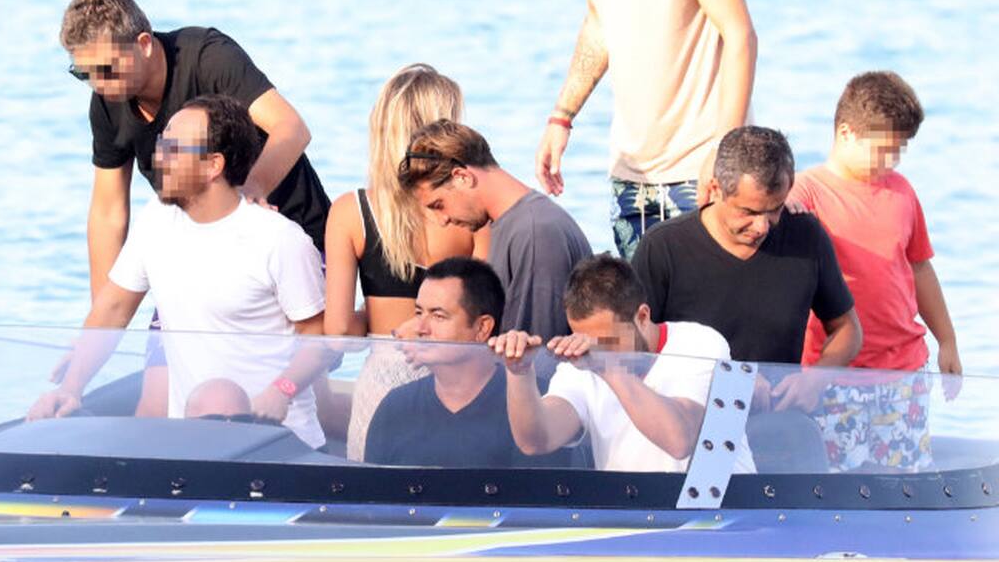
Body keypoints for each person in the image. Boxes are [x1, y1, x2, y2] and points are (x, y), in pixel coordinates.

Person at [60, 0, 332, 416]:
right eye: (84, 74)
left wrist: (249, 193)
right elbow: (108, 212)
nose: (99, 84)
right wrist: (99, 333)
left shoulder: (207, 58)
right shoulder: (108, 102)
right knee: (155, 402)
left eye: (106, 69)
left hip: (289, 232)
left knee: (307, 397)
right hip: (199, 249)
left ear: (143, 44)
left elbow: (292, 128)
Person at [27, 95, 339, 448]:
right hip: (193, 440)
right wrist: (71, 388)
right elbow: (112, 309)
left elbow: (320, 339)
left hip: (280, 442)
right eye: (162, 144)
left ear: (213, 165)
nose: (158, 157)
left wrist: (282, 390)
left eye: (173, 148)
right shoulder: (156, 220)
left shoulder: (280, 239)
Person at [536, 0, 758, 260]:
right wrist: (562, 116)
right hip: (631, 175)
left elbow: (739, 34)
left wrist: (723, 154)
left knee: (708, 295)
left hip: (700, 169)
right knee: (637, 296)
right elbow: (599, 23)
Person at [789, 71, 962, 471]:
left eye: (899, 151)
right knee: (836, 482)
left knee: (903, 481)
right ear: (846, 133)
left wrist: (947, 340)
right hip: (833, 373)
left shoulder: (902, 192)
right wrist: (786, 209)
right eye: (884, 150)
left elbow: (920, 268)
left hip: (902, 371)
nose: (892, 162)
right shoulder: (806, 191)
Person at [631, 126, 863, 414]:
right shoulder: (662, 247)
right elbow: (632, 350)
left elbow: (847, 328)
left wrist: (816, 379)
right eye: (749, 212)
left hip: (777, 416)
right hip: (693, 416)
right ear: (715, 189)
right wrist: (730, 382)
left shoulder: (807, 236)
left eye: (775, 209)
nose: (762, 226)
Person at [323, 64, 490, 460]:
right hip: (455, 382)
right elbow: (485, 314)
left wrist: (377, 316)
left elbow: (338, 333)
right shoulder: (475, 211)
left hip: (383, 383)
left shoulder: (351, 212)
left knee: (375, 490)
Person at [497, 253, 755, 472]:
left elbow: (679, 440)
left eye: (608, 341)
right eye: (583, 338)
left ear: (642, 316)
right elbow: (537, 440)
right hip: (633, 509)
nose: (593, 350)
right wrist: (520, 373)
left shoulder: (700, 342)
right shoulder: (581, 363)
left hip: (720, 509)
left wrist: (607, 366)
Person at [398, 119, 593, 341]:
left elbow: (536, 351)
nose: (443, 220)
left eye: (438, 205)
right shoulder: (512, 225)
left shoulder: (534, 233)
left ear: (462, 177)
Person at [364, 258, 556, 468]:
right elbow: (372, 487)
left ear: (482, 328)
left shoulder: (535, 404)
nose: (420, 328)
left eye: (438, 316)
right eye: (419, 313)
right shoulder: (396, 406)